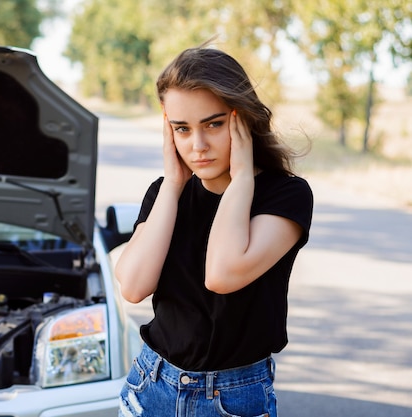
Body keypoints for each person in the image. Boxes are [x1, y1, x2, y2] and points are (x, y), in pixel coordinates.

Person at [115, 41, 314, 417]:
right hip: (150, 386)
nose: (198, 146)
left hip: (232, 400)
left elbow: (222, 274)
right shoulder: (165, 192)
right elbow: (133, 286)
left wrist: (241, 180)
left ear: (244, 120)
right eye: (182, 129)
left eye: (214, 124)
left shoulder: (286, 196)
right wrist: (173, 185)